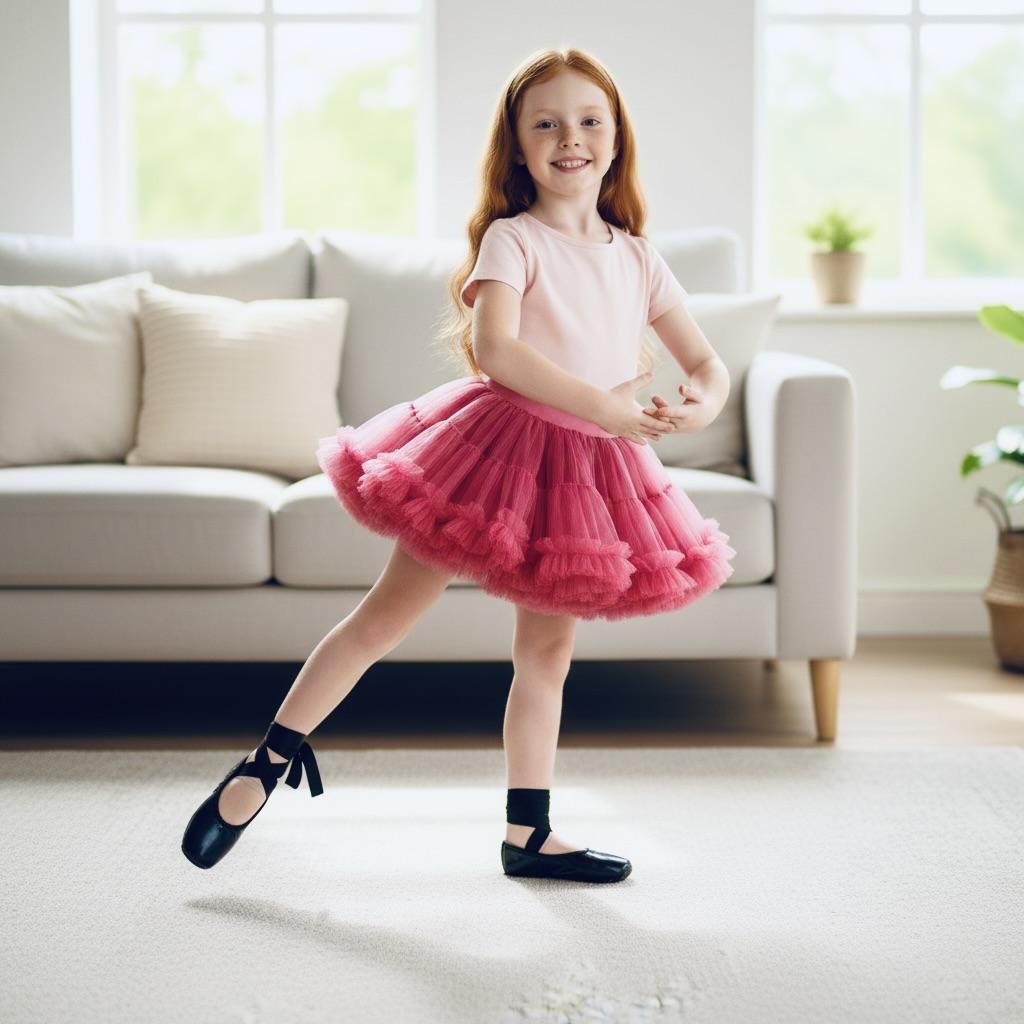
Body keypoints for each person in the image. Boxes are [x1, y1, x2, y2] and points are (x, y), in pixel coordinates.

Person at [181, 46, 737, 884]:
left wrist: (703, 400)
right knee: (384, 620)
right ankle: (266, 764)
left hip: (587, 476)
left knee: (546, 656)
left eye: (590, 121)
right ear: (518, 147)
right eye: (545, 123)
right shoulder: (515, 240)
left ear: (616, 139)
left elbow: (707, 363)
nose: (570, 138)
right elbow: (498, 352)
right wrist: (608, 408)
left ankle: (528, 832)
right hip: (496, 455)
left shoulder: (638, 256)